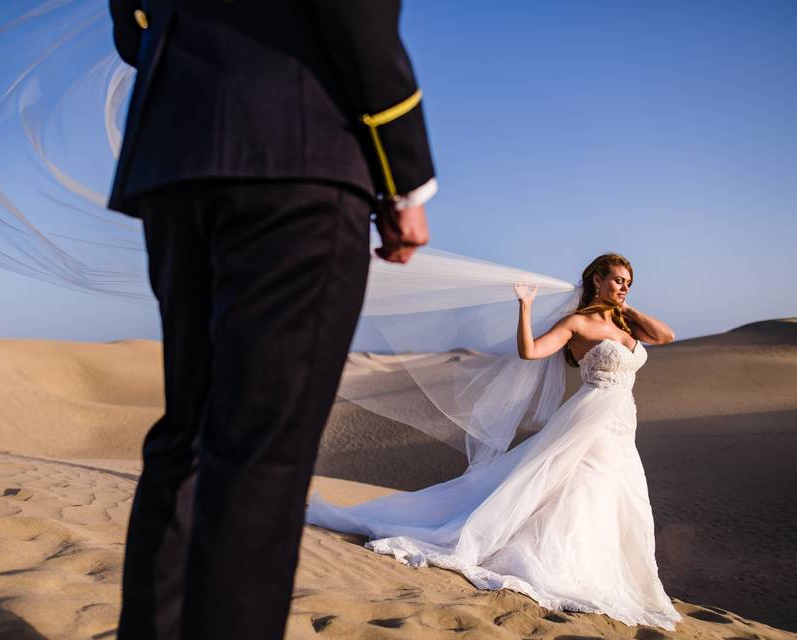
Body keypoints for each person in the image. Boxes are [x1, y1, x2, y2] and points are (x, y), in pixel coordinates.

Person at [106, 1, 437, 638]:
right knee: (262, 448)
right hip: (296, 155)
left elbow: (131, 29)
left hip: (173, 151)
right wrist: (406, 178)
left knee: (189, 432)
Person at [305, 253, 685, 631]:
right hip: (590, 418)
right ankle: (553, 562)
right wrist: (526, 307)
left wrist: (626, 306)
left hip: (622, 420)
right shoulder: (576, 323)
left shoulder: (625, 324)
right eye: (617, 280)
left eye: (628, 283)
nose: (623, 287)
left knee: (617, 492)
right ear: (597, 279)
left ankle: (600, 566)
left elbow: (666, 335)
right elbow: (531, 351)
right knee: (583, 485)